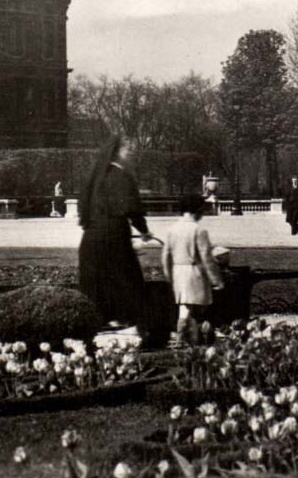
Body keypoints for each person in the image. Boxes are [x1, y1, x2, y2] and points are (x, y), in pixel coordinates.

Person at [77, 134, 153, 332]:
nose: (132, 153)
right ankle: (128, 319)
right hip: (114, 234)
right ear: (118, 153)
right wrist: (144, 231)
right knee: (125, 276)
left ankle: (99, 319)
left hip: (91, 235)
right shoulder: (122, 176)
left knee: (97, 279)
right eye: (129, 150)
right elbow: (132, 208)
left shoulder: (97, 176)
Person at [162, 193, 224, 346]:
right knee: (193, 307)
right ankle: (186, 337)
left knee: (185, 305)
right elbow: (206, 258)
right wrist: (216, 280)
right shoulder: (198, 230)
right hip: (194, 272)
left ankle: (187, 337)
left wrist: (168, 275)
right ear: (198, 210)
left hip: (178, 272)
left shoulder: (172, 229)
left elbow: (165, 256)